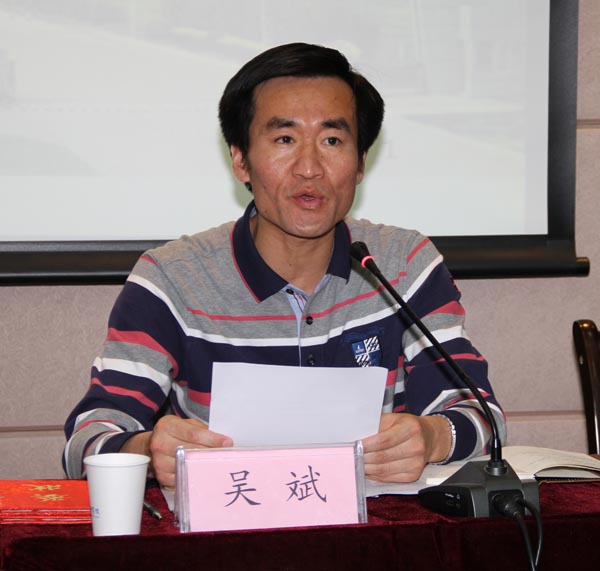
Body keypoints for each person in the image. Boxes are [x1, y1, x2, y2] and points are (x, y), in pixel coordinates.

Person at [63, 43, 505, 488]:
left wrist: (432, 437)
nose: (309, 168)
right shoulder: (172, 278)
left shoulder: (401, 263)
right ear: (240, 160)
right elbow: (86, 443)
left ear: (359, 165)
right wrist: (147, 452)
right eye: (284, 139)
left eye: (332, 141)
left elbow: (483, 417)